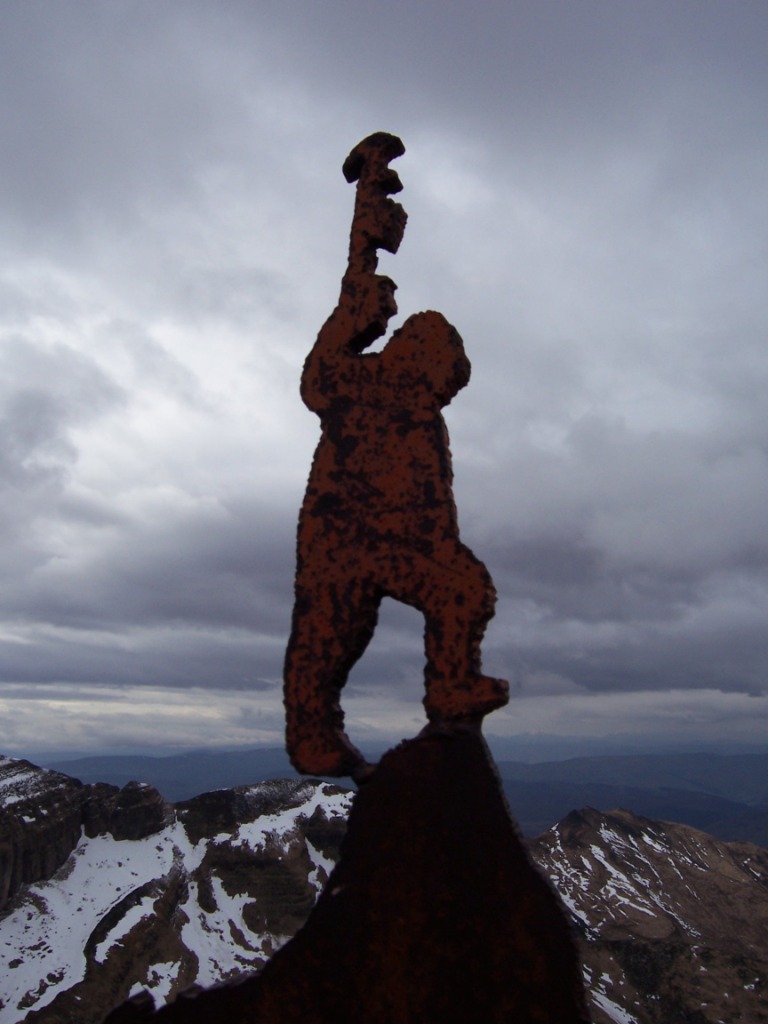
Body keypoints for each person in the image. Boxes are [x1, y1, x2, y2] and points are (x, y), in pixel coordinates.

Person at [283, 135, 508, 778]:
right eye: (444, 370)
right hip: (342, 543)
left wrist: (437, 549)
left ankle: (450, 686)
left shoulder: (421, 418)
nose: (448, 384)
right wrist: (350, 318)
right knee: (329, 637)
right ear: (416, 355)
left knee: (463, 586)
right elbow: (317, 382)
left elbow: (436, 506)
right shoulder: (366, 383)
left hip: (403, 544)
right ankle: (312, 729)